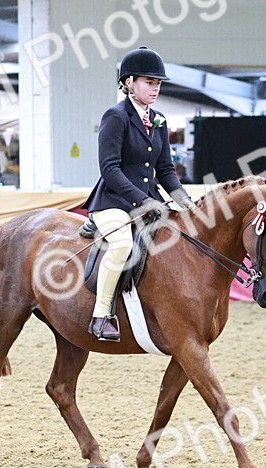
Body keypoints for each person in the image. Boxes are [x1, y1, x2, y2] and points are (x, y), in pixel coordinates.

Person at [82, 46, 192, 342]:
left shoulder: (159, 120)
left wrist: (184, 200)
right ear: (129, 82)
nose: (154, 88)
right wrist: (142, 200)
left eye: (157, 83)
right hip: (114, 201)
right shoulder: (115, 117)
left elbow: (166, 169)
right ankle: (101, 315)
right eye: (148, 82)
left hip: (151, 201)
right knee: (120, 245)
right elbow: (110, 168)